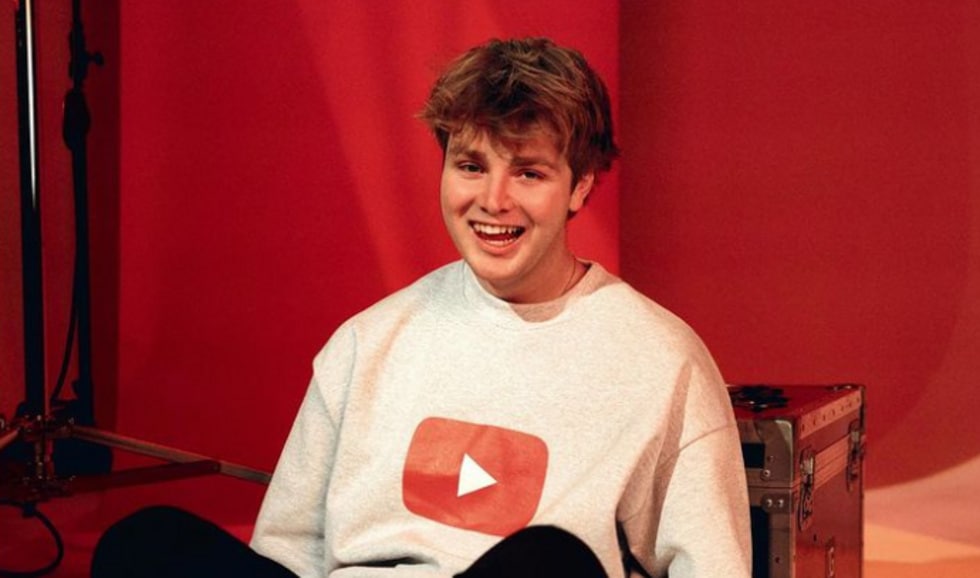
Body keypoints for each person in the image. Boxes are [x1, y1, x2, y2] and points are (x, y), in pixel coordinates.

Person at [92, 37, 751, 578]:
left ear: (581, 185)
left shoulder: (661, 361)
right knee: (145, 543)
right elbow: (286, 556)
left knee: (550, 562)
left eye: (528, 172)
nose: (493, 200)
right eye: (471, 166)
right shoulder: (368, 341)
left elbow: (711, 566)